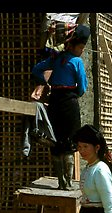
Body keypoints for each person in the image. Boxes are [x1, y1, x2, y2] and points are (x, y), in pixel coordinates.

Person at [30, 24, 90, 190]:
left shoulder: (55, 59)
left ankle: (61, 182)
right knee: (69, 144)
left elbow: (36, 70)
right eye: (81, 47)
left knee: (55, 142)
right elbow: (83, 87)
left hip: (54, 103)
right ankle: (68, 184)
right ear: (73, 45)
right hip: (69, 104)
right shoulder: (77, 62)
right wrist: (72, 95)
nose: (82, 50)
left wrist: (45, 84)